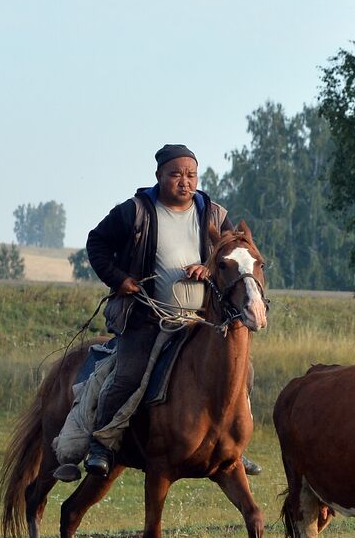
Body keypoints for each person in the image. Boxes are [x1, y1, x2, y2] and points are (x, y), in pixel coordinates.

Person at [82, 143, 261, 477]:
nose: (185, 182)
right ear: (159, 176)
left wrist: (208, 267)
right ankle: (102, 443)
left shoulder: (214, 214)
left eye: (191, 175)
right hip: (147, 318)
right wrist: (119, 279)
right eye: (176, 174)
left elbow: (232, 253)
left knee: (243, 372)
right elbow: (97, 244)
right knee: (128, 375)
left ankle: (233, 450)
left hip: (199, 321)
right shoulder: (135, 211)